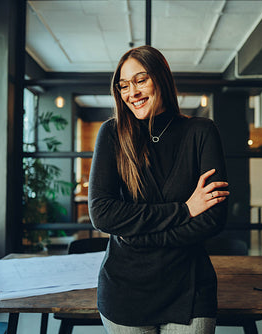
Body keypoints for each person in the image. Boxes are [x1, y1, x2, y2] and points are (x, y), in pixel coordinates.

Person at [88, 45, 229, 333]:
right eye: (124, 85)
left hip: (189, 288)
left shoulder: (202, 132)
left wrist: (134, 236)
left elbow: (213, 219)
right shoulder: (112, 134)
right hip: (124, 290)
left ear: (161, 78)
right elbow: (102, 214)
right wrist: (185, 210)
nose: (132, 92)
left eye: (141, 80)